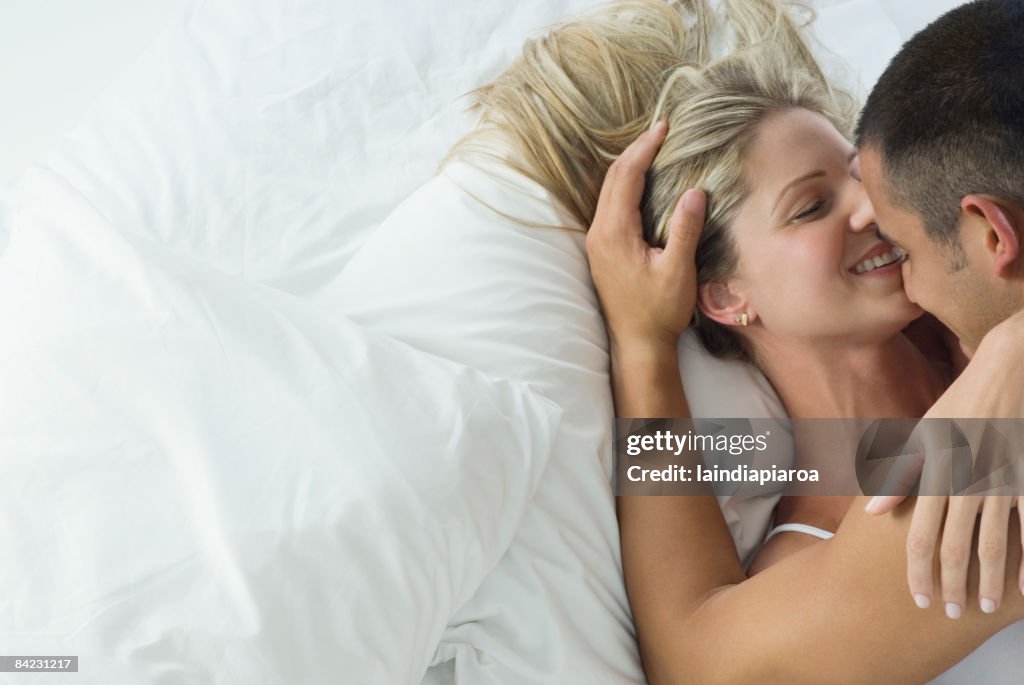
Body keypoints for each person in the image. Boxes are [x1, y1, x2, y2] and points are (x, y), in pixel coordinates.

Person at [524, 1, 1024, 683]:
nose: (871, 207)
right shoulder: (918, 484)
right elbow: (696, 659)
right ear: (728, 297)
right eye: (811, 206)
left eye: (858, 174)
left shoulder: (989, 332)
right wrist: (642, 344)